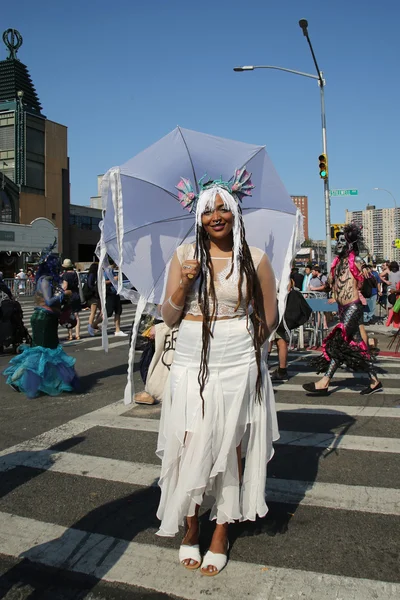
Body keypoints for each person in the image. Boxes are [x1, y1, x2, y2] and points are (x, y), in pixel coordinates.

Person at [156, 170, 278, 576]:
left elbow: (270, 314)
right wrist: (184, 282)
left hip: (238, 358)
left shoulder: (256, 258)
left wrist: (247, 345)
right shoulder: (183, 255)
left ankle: (221, 529)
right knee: (190, 439)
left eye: (225, 208)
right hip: (192, 355)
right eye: (209, 210)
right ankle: (190, 526)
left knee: (231, 444)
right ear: (199, 216)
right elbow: (168, 318)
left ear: (236, 211)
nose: (217, 216)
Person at [302, 224, 382, 396]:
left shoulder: (357, 261)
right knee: (357, 345)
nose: (338, 245)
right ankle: (374, 380)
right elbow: (329, 285)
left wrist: (367, 271)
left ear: (349, 244)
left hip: (353, 307)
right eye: (336, 242)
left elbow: (372, 279)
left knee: (338, 341)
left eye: (341, 242)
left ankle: (324, 382)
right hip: (342, 308)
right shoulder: (336, 263)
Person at [3, 243, 79, 398]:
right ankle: (17, 379)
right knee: (41, 352)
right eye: (57, 266)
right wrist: (62, 295)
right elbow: (49, 301)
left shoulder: (50, 280)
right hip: (43, 319)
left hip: (48, 319)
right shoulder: (45, 280)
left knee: (48, 351)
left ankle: (45, 381)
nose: (59, 269)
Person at [61, 258, 82, 341]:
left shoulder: (65, 275)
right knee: (76, 315)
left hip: (69, 295)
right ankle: (78, 334)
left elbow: (65, 286)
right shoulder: (75, 273)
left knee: (69, 316)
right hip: (76, 294)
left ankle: (70, 335)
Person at [105, 264, 127, 337]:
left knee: (118, 311)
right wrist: (114, 279)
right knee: (108, 312)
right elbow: (103, 282)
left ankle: (117, 330)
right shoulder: (106, 271)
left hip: (115, 293)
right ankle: (93, 324)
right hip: (110, 293)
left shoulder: (112, 270)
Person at [87, 263, 102, 336]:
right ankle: (91, 326)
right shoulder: (92, 275)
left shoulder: (91, 274)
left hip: (95, 295)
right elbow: (90, 285)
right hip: (93, 296)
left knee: (101, 311)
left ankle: (94, 325)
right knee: (93, 312)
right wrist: (95, 290)